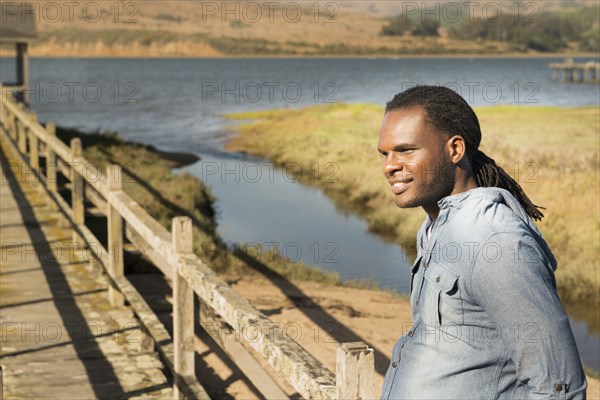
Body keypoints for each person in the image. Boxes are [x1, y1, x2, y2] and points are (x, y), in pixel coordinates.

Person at [378, 85, 587, 399]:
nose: (389, 165)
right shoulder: (435, 227)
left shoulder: (493, 240)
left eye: (406, 150)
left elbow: (558, 386)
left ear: (455, 150)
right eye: (385, 153)